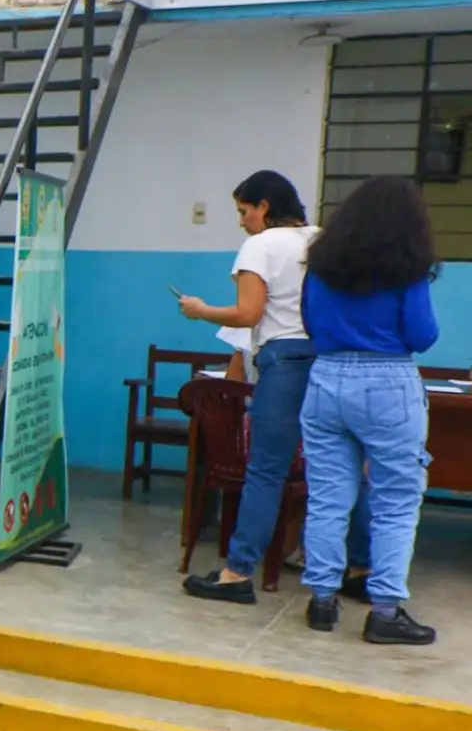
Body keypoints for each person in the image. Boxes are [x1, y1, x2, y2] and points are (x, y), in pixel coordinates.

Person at [298, 175, 441, 645]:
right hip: (388, 383)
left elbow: (310, 324)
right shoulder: (407, 269)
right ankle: (384, 611)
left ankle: (322, 602)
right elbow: (422, 335)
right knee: (395, 500)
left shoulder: (321, 266)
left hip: (326, 378)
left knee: (328, 496)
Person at [177, 170, 320, 604]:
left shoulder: (261, 245)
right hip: (330, 359)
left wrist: (201, 310)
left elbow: (248, 313)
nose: (242, 222)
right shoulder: (322, 239)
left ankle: (237, 572)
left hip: (284, 360)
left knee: (266, 470)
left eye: (244, 211)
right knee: (340, 470)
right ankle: (358, 569)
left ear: (264, 207)